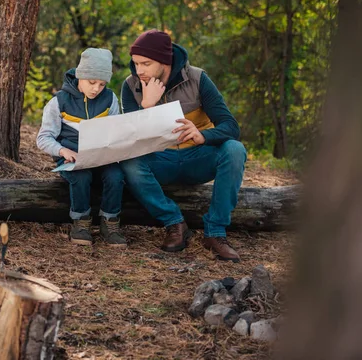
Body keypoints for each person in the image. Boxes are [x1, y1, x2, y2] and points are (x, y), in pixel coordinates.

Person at [120, 30, 246, 262]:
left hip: (198, 157)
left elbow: (231, 127)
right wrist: (147, 106)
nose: (139, 70)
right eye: (136, 63)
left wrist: (203, 136)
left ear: (165, 61)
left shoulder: (198, 79)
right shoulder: (131, 85)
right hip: (161, 160)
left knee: (235, 149)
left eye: (146, 63)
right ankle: (174, 223)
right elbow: (129, 139)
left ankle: (215, 232)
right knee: (128, 161)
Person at [36, 48, 127, 248]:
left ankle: (110, 222)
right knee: (81, 176)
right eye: (91, 82)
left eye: (102, 84)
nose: (96, 89)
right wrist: (62, 151)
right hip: (70, 158)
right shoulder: (59, 101)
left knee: (115, 176)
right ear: (80, 75)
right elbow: (43, 138)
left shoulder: (110, 99)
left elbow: (113, 130)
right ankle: (81, 221)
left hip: (100, 156)